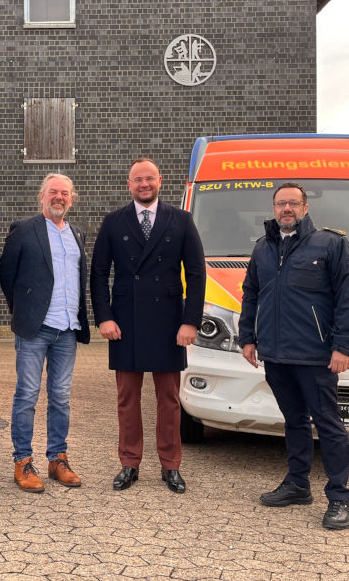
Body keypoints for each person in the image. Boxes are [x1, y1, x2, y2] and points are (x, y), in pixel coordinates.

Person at [237, 182, 349, 530]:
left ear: (306, 208)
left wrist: (343, 346)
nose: (287, 209)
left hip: (315, 355)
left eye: (293, 203)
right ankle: (297, 485)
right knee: (294, 421)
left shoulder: (331, 244)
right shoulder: (263, 248)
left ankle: (339, 497)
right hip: (276, 355)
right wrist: (247, 338)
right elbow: (251, 294)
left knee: (328, 423)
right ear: (273, 209)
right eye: (281, 203)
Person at [90, 157, 205, 493]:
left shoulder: (181, 220)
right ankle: (129, 462)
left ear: (160, 181)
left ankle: (171, 465)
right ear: (129, 184)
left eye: (149, 178)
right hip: (126, 321)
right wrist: (105, 317)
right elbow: (98, 273)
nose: (144, 184)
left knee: (169, 399)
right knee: (127, 399)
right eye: (138, 179)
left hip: (169, 322)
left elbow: (196, 274)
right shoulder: (113, 221)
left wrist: (190, 322)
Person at [0, 173, 90, 493]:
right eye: (53, 192)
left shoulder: (77, 233)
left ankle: (57, 459)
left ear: (71, 199)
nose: (59, 197)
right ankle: (23, 461)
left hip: (68, 329)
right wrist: (24, 311)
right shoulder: (24, 230)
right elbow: (6, 275)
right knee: (27, 395)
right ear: (42, 196)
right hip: (34, 330)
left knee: (61, 397)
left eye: (64, 193)